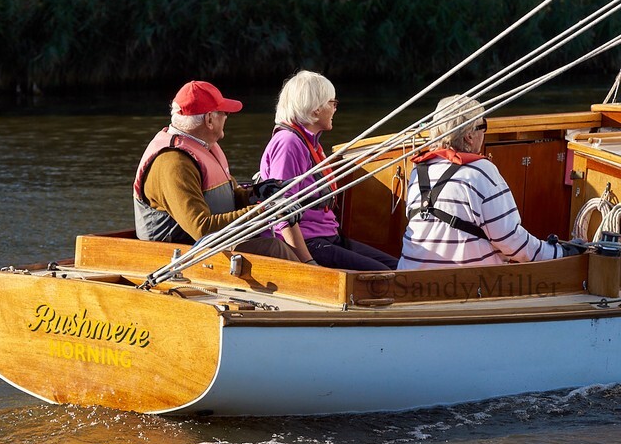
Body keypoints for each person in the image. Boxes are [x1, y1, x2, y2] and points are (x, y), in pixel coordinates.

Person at [398, 94, 584, 269]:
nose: (485, 132)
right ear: (469, 136)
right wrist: (560, 252)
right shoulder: (480, 171)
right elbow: (512, 242)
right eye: (482, 126)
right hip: (461, 288)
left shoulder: (419, 171)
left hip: (409, 282)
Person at [133, 80, 300, 261]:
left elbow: (230, 197)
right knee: (273, 249)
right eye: (224, 112)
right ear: (209, 119)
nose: (227, 117)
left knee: (271, 246)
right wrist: (265, 211)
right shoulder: (174, 162)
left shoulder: (204, 147)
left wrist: (258, 194)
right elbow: (202, 229)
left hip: (211, 249)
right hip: (175, 260)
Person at [258, 70, 399, 270]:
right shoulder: (289, 143)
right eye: (332, 103)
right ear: (316, 109)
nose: (335, 109)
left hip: (329, 236)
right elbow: (281, 210)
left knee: (399, 268)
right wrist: (308, 263)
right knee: (386, 275)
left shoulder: (310, 142)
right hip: (310, 242)